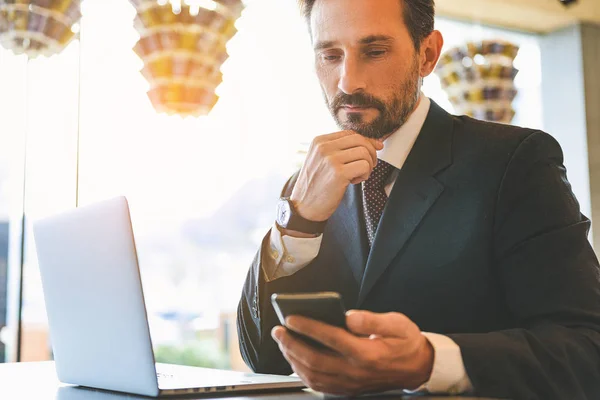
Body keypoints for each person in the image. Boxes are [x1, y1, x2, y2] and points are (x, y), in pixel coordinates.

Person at [236, 0, 600, 398]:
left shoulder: (515, 161)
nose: (347, 82)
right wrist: (298, 221)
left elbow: (587, 349)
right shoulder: (307, 186)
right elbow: (264, 357)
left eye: (374, 52)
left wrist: (430, 361)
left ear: (427, 55)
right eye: (330, 55)